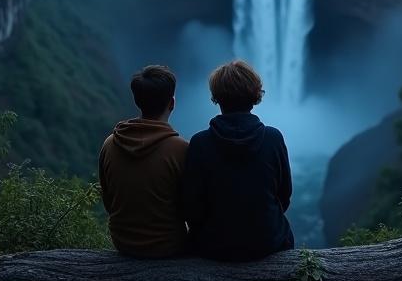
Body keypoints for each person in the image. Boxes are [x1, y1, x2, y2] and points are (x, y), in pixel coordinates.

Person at [183, 60, 294, 261]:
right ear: (255, 96)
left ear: (216, 98)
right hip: (267, 242)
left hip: (213, 245)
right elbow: (284, 195)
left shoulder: (199, 143)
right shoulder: (273, 139)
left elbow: (192, 207)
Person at [99, 65, 188, 258]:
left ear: (136, 100)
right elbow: (190, 208)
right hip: (169, 245)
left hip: (122, 243)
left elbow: (108, 201)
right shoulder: (180, 149)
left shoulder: (109, 144)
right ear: (172, 103)